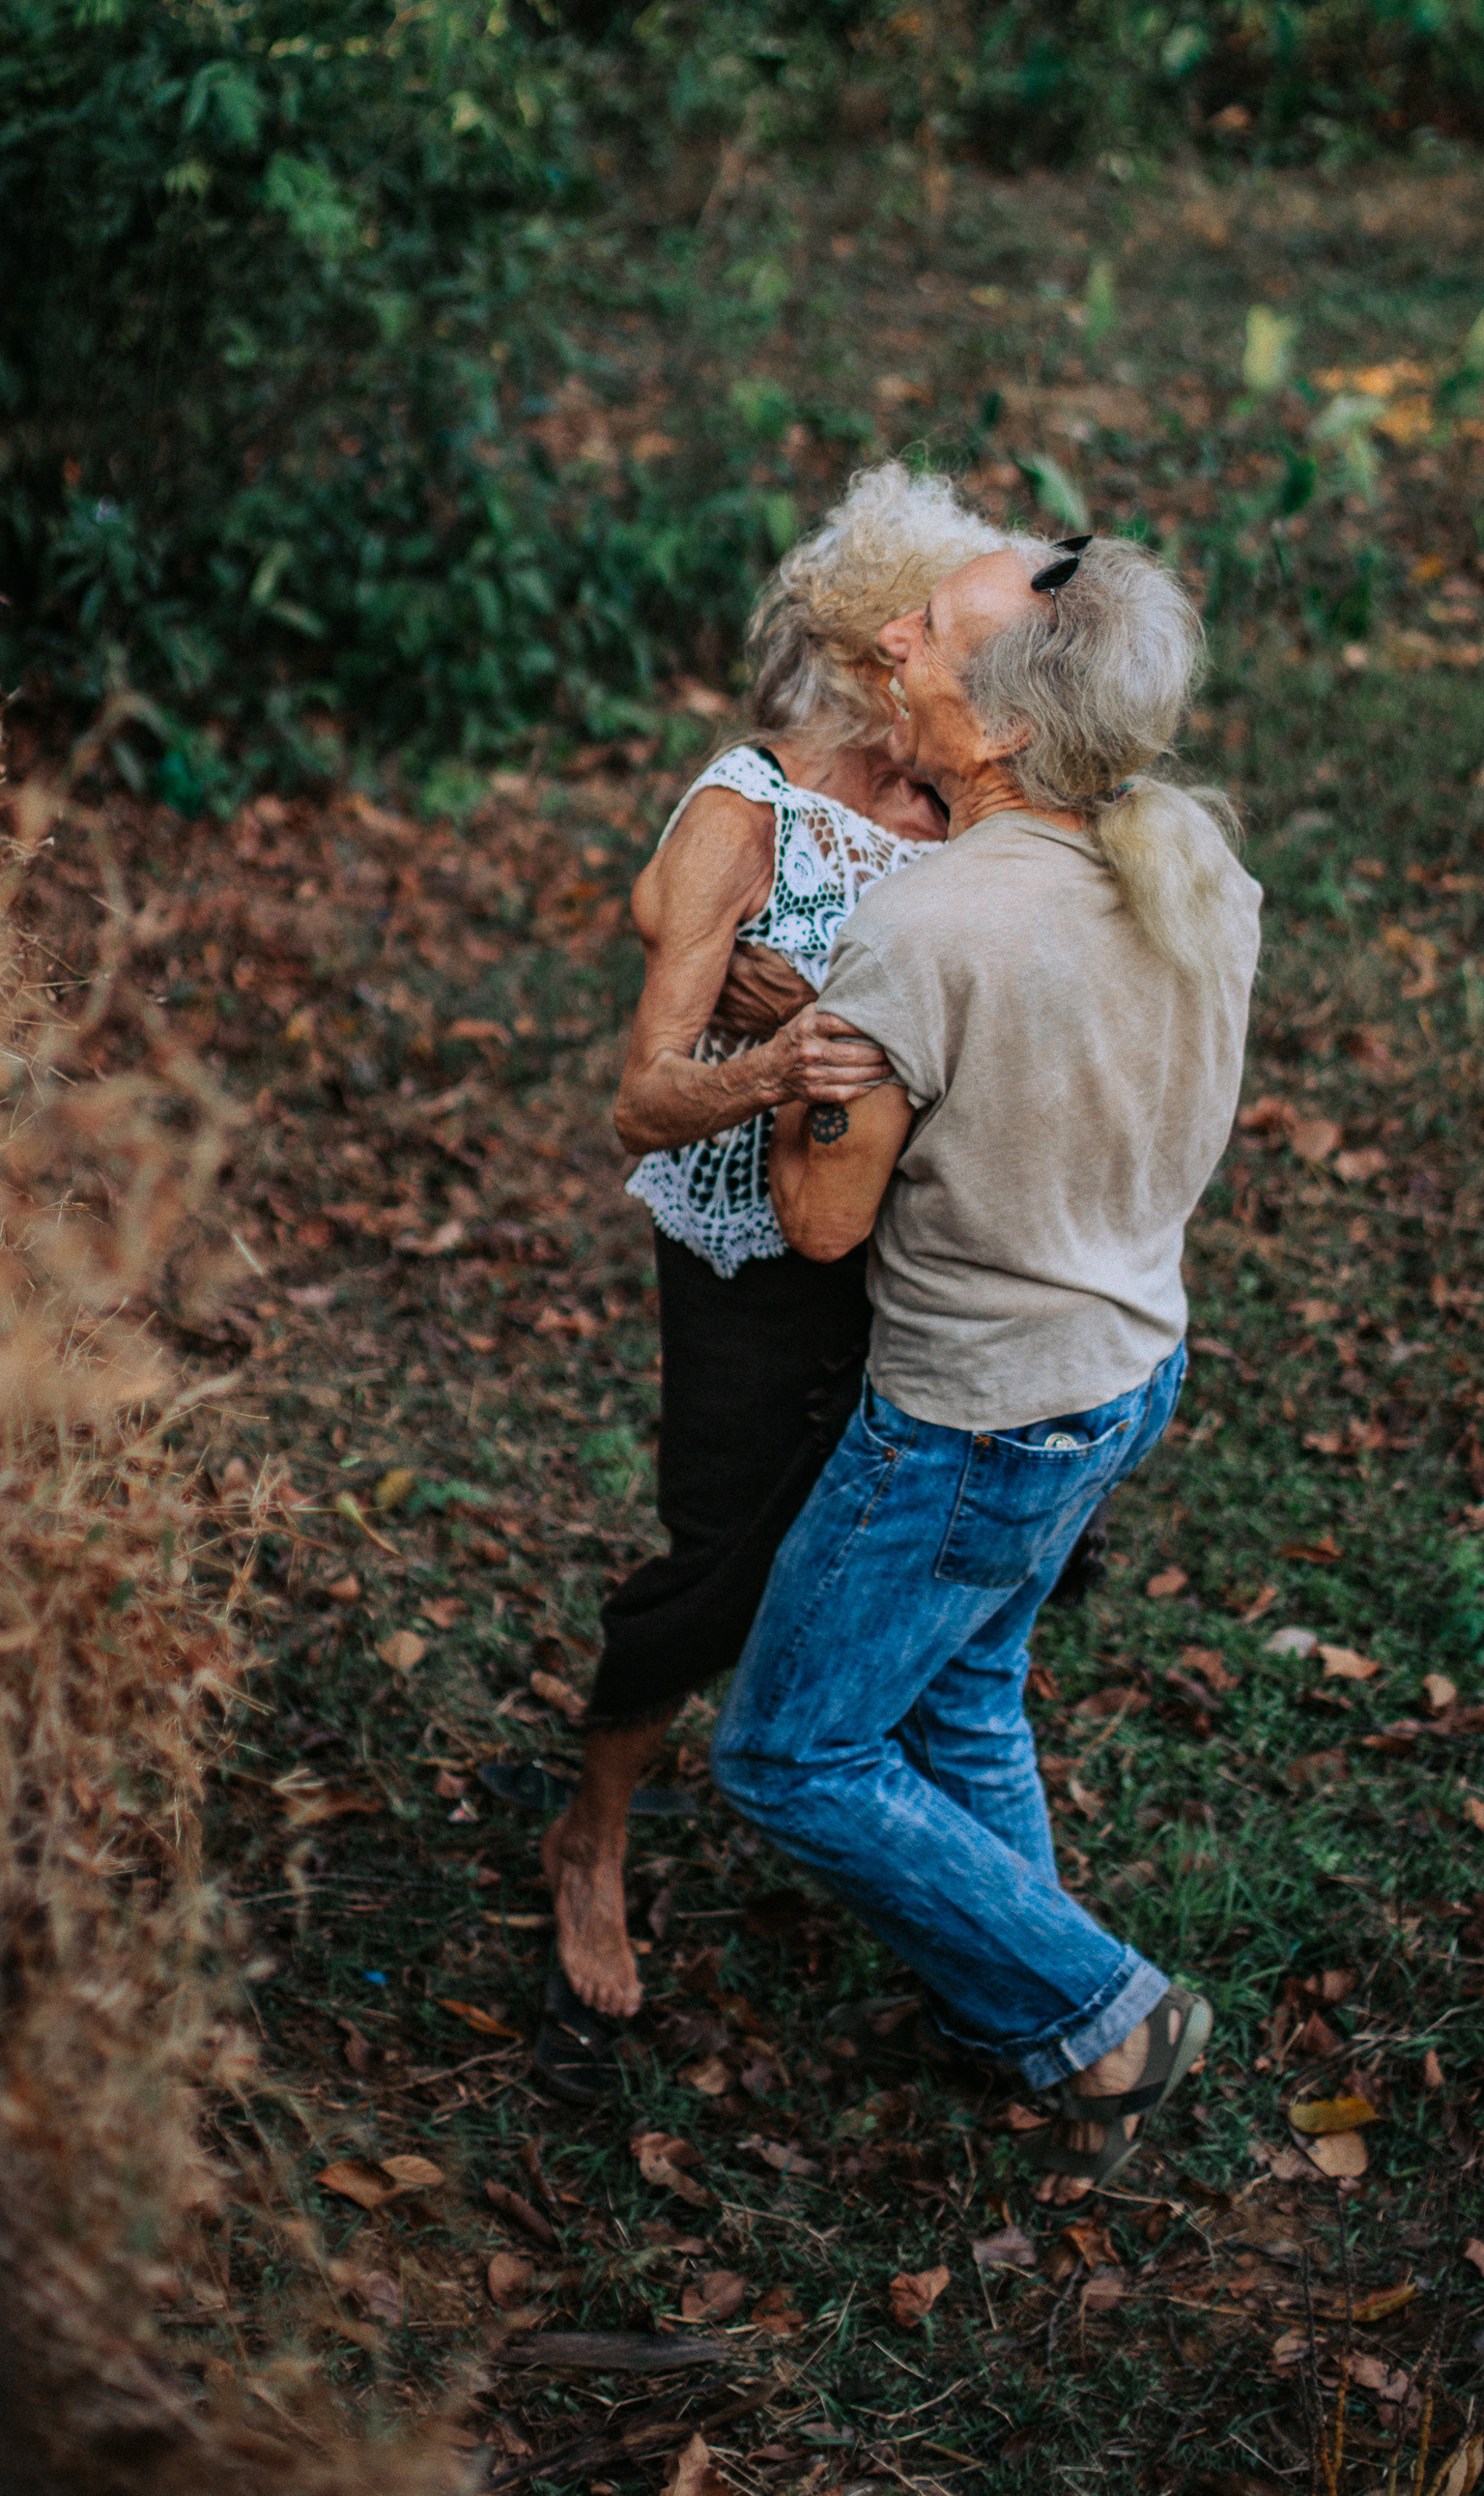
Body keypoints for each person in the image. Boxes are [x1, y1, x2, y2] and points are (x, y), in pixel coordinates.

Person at [709, 531, 1261, 2205]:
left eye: (931, 631)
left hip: (970, 1416)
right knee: (961, 1689)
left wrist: (792, 1051)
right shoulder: (1193, 869)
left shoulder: (927, 924)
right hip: (1123, 1366)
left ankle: (1103, 2007)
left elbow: (821, 1221)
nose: (891, 638)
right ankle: (1011, 2011)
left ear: (1008, 726)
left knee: (788, 1755)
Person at [511, 464, 1006, 2101]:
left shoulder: (983, 801)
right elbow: (641, 1099)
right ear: (874, 659)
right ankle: (592, 1837)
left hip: (921, 1252)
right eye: (939, 642)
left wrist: (836, 1020)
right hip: (748, 1248)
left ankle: (938, 1869)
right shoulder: (752, 811)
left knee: (910, 1546)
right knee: (721, 1555)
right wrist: (778, 1060)